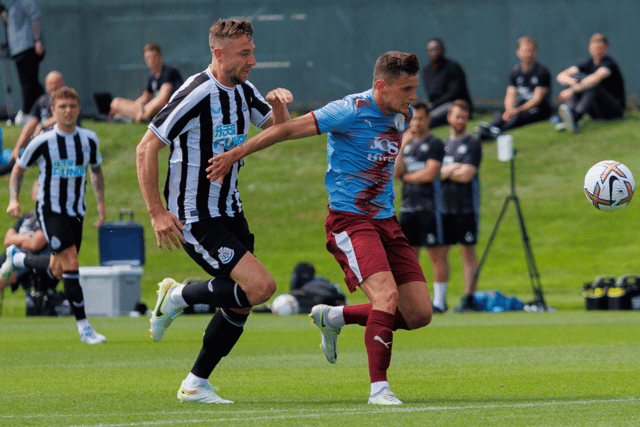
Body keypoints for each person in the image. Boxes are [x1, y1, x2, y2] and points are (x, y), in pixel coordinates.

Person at [207, 51, 433, 405]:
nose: (412, 96)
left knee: (419, 313)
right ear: (380, 85)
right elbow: (284, 130)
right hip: (351, 221)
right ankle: (379, 390)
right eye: (405, 89)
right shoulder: (349, 109)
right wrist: (236, 153)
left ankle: (334, 316)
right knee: (386, 297)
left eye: (414, 88)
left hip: (386, 221)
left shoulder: (403, 115)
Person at [136, 19, 293, 404]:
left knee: (241, 301)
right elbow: (146, 148)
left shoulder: (244, 90)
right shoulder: (196, 93)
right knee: (261, 288)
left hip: (230, 211)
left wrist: (277, 106)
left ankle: (194, 384)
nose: (253, 60)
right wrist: (157, 212)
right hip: (195, 216)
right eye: (245, 53)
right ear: (219, 53)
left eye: (253, 50)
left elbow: (279, 131)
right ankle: (176, 296)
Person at [6, 86, 107, 344]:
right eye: (62, 107)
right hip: (50, 210)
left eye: (72, 106)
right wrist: (14, 199)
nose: (68, 111)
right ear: (53, 111)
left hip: (76, 212)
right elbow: (18, 169)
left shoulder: (89, 138)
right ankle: (84, 328)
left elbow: (95, 171)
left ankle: (18, 259)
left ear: (78, 109)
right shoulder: (42, 141)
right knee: (71, 261)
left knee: (58, 269)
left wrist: (101, 203)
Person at [394, 101, 447, 313]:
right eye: (412, 118)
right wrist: (401, 146)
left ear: (428, 120)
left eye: (419, 118)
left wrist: (407, 177)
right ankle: (412, 301)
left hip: (429, 207)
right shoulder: (407, 143)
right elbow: (396, 172)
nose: (415, 123)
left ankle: (440, 302)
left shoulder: (434, 143)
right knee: (409, 257)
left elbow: (429, 174)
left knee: (436, 254)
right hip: (407, 207)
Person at [439, 100, 482, 312]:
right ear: (449, 118)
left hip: (466, 208)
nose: (460, 121)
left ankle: (469, 297)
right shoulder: (442, 145)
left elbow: (466, 175)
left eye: (464, 117)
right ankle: (439, 299)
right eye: (457, 116)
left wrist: (447, 171)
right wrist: (451, 168)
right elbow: (434, 174)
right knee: (440, 254)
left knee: (468, 253)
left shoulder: (473, 144)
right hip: (444, 208)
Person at [476, 37, 552, 141]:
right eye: (525, 51)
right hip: (521, 106)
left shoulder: (542, 72)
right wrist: (509, 110)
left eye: (531, 50)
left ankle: (496, 131)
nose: (528, 54)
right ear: (518, 52)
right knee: (499, 113)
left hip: (539, 109)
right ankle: (491, 127)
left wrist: (517, 110)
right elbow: (510, 94)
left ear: (536, 52)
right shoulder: (515, 71)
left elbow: (536, 100)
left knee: (518, 116)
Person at [0, 70, 66, 177]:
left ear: (63, 83)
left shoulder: (69, 100)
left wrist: (42, 125)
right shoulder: (42, 101)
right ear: (46, 86)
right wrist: (17, 147)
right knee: (16, 158)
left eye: (56, 83)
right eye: (51, 83)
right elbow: (31, 124)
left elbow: (62, 116)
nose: (54, 86)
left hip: (58, 143)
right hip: (39, 143)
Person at [556, 33, 625, 133]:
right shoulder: (588, 63)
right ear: (590, 48)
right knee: (574, 80)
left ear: (607, 48)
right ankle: (571, 115)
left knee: (592, 85)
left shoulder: (610, 64)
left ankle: (575, 118)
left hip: (614, 111)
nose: (598, 51)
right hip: (597, 112)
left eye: (601, 48)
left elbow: (596, 78)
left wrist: (572, 90)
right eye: (595, 48)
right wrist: (571, 82)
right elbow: (561, 76)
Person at [0, 180, 58, 294]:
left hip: (28, 261)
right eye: (38, 191)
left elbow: (35, 244)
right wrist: (26, 237)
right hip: (8, 256)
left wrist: (18, 239)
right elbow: (7, 240)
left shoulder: (50, 218)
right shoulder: (26, 216)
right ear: (32, 195)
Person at [110, 43, 183, 123]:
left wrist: (144, 109)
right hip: (150, 109)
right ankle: (133, 117)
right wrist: (135, 107)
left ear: (160, 56)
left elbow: (163, 99)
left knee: (156, 103)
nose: (150, 60)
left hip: (169, 109)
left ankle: (132, 117)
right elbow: (146, 97)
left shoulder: (169, 72)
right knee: (116, 102)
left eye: (153, 57)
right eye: (147, 58)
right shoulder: (152, 75)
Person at [1, 0, 45, 122]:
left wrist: (37, 40)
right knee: (32, 83)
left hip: (28, 47)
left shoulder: (27, 1)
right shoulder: (13, 5)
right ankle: (43, 110)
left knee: (28, 83)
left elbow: (35, 18)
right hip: (18, 50)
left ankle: (27, 114)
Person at [421, 38, 473, 129]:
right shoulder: (426, 70)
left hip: (455, 104)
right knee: (418, 113)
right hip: (436, 106)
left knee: (429, 118)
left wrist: (434, 105)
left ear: (443, 50)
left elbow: (454, 93)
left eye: (437, 48)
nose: (434, 52)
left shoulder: (453, 67)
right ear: (427, 52)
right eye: (431, 50)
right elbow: (431, 93)